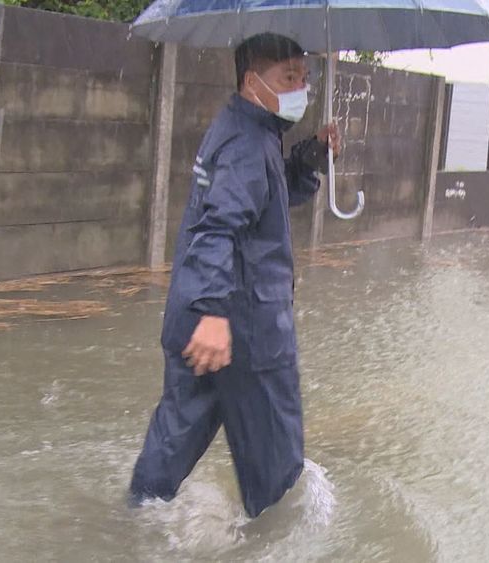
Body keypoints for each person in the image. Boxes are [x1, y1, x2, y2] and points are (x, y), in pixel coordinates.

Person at [129, 33, 340, 517]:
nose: (301, 88)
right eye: (288, 77)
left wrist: (310, 156)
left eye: (304, 78)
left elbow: (263, 197)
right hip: (244, 329)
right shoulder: (248, 143)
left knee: (170, 448)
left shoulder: (241, 128)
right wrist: (213, 314)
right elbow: (217, 228)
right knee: (278, 478)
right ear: (252, 82)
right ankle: (279, 545)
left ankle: (132, 525)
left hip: (204, 321)